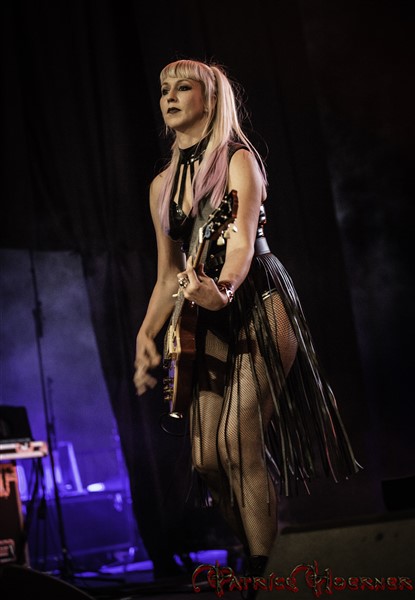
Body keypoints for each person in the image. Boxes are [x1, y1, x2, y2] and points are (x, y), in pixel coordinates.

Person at [133, 58, 360, 582]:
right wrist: (146, 333)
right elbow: (167, 275)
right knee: (207, 460)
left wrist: (223, 290)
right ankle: (264, 560)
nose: (169, 96)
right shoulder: (161, 186)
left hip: (257, 299)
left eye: (183, 87)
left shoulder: (239, 159)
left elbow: (239, 243)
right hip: (200, 319)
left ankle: (265, 580)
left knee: (237, 441)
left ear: (210, 100)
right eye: (164, 89)